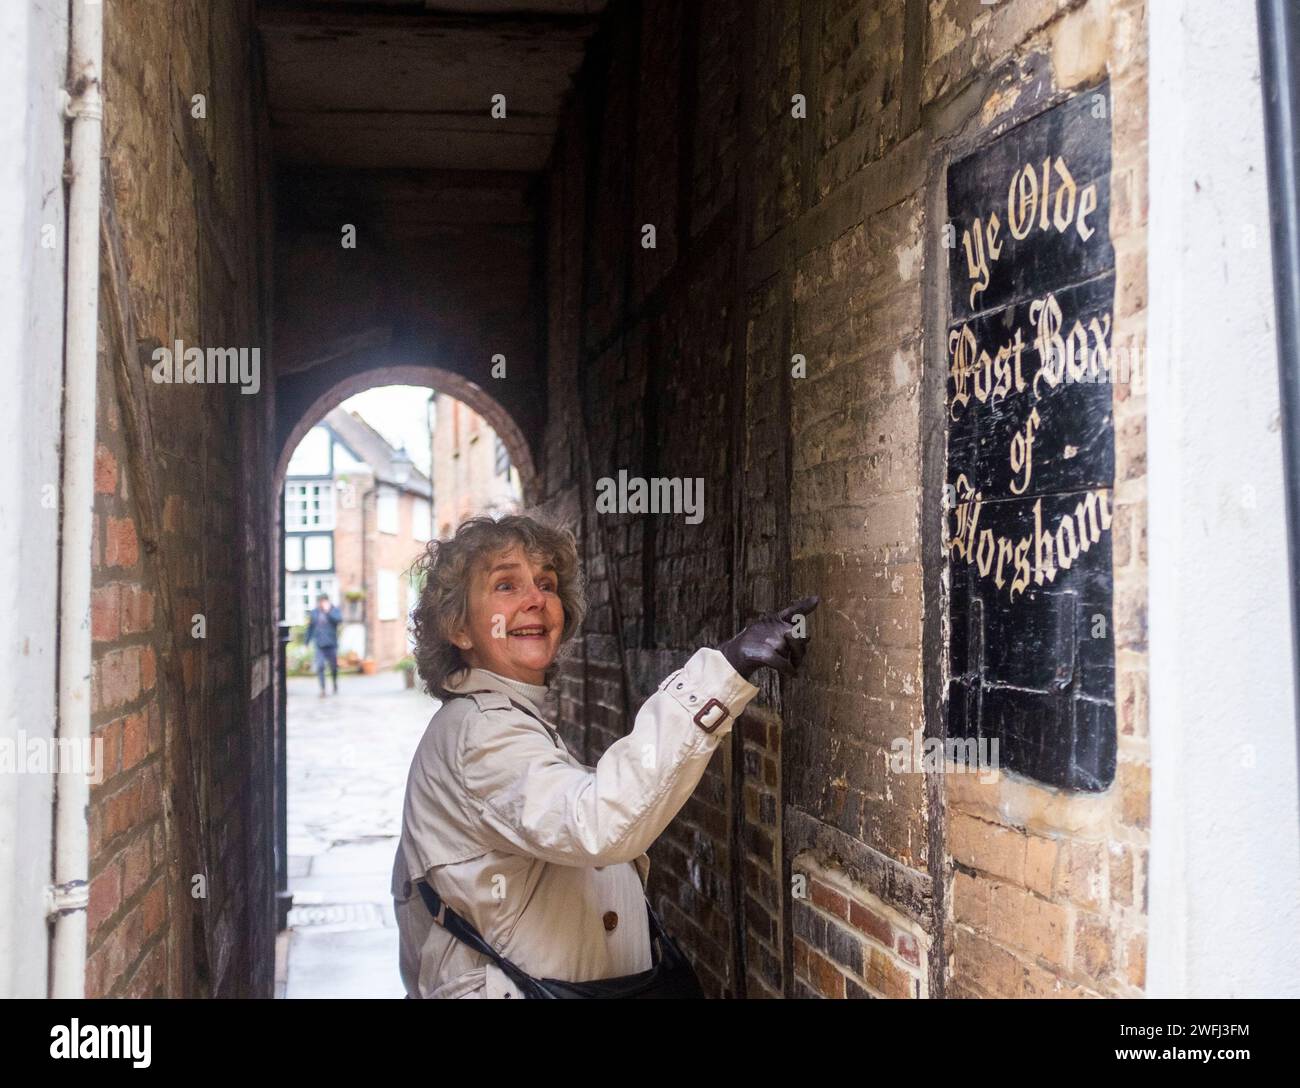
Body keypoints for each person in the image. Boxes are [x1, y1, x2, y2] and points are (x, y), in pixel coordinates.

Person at [391, 513, 817, 998]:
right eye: (505, 585)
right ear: (458, 628)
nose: (535, 599)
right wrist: (724, 670)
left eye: (546, 584)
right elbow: (597, 822)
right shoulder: (480, 732)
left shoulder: (508, 717)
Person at [303, 593, 342, 697]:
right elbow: (310, 628)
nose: (321, 603)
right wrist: (306, 642)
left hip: (331, 644)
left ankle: (334, 683)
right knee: (320, 666)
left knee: (333, 667)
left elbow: (338, 620)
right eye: (320, 601)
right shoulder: (314, 612)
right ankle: (323, 689)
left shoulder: (334, 610)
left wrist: (328, 611)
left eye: (323, 601)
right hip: (319, 644)